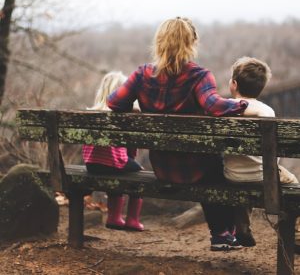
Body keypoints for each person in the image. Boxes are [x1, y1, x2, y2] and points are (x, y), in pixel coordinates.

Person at [107, 17, 250, 251]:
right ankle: (222, 233)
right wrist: (241, 104)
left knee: (210, 164)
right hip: (197, 168)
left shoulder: (142, 75)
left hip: (163, 168)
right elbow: (213, 105)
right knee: (216, 166)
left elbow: (114, 102)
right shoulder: (199, 76)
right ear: (191, 43)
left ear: (159, 42)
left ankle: (225, 234)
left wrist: (134, 107)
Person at [224, 56, 299, 246]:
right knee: (294, 183)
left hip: (232, 175)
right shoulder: (266, 112)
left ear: (233, 84)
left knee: (243, 177)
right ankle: (297, 233)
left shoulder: (224, 110)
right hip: (263, 175)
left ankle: (242, 226)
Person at [82, 71, 144, 231]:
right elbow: (130, 149)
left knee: (119, 171)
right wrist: (131, 158)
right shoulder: (122, 115)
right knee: (138, 174)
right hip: (114, 163)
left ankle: (114, 217)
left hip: (91, 164)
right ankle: (131, 220)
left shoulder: (91, 113)